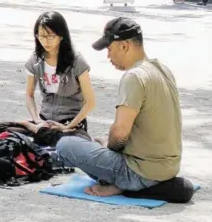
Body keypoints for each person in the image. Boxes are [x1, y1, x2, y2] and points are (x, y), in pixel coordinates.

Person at [56, 17, 182, 197]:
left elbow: (120, 132)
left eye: (109, 49)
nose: (108, 56)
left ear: (124, 46)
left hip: (140, 173)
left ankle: (121, 183)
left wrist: (110, 148)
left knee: (66, 145)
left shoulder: (134, 77)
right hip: (169, 168)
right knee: (100, 140)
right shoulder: (162, 69)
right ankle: (119, 181)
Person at [8, 11, 96, 147]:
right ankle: (37, 129)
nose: (45, 41)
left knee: (65, 144)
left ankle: (42, 133)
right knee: (2, 131)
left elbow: (90, 102)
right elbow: (29, 95)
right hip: (44, 120)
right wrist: (36, 119)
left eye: (51, 36)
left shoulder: (77, 61)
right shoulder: (35, 60)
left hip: (71, 122)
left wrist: (67, 127)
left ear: (61, 36)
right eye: (41, 36)